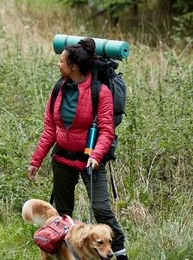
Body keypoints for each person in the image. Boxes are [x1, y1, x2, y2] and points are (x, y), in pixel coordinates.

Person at [27, 38, 128, 260]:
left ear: (73, 67)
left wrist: (96, 156)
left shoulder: (100, 92)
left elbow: (106, 131)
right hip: (62, 160)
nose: (58, 64)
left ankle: (119, 253)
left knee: (101, 209)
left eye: (61, 61)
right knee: (64, 214)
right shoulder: (58, 89)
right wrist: (36, 161)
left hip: (91, 161)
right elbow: (49, 130)